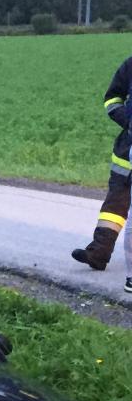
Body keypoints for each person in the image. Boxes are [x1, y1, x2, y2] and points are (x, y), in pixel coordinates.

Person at [72, 56, 132, 293]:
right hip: (126, 151)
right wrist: (127, 121)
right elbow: (112, 99)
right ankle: (98, 253)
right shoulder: (130, 66)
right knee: (113, 208)